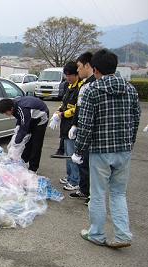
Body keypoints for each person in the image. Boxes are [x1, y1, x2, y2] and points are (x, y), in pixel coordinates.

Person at [73, 49, 140, 248]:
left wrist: (78, 150)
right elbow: (136, 119)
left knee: (98, 193)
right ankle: (123, 235)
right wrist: (130, 143)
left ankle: (97, 234)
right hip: (124, 150)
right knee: (119, 194)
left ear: (95, 69)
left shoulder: (92, 90)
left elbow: (86, 125)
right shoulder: (130, 89)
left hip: (101, 150)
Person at [68, 52, 95, 205]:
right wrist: (74, 124)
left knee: (90, 163)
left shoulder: (93, 85)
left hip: (90, 131)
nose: (77, 70)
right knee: (83, 162)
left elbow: (88, 111)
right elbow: (79, 107)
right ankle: (84, 189)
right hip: (81, 127)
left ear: (87, 65)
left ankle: (92, 194)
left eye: (79, 67)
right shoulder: (85, 84)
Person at [0, 96, 49, 173]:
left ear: (11, 109)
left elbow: (24, 128)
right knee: (27, 141)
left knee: (36, 143)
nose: (5, 114)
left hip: (41, 118)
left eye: (5, 112)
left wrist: (15, 144)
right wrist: (17, 127)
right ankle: (24, 161)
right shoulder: (13, 106)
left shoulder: (23, 109)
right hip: (30, 117)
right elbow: (20, 119)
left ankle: (33, 168)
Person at [55, 61, 83, 191]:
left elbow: (77, 109)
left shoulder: (80, 87)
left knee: (72, 154)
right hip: (65, 125)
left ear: (76, 74)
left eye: (69, 75)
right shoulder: (69, 86)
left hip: (73, 125)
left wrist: (62, 114)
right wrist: (58, 111)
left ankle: (75, 180)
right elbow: (64, 102)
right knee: (67, 153)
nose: (68, 78)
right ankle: (69, 175)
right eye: (66, 76)